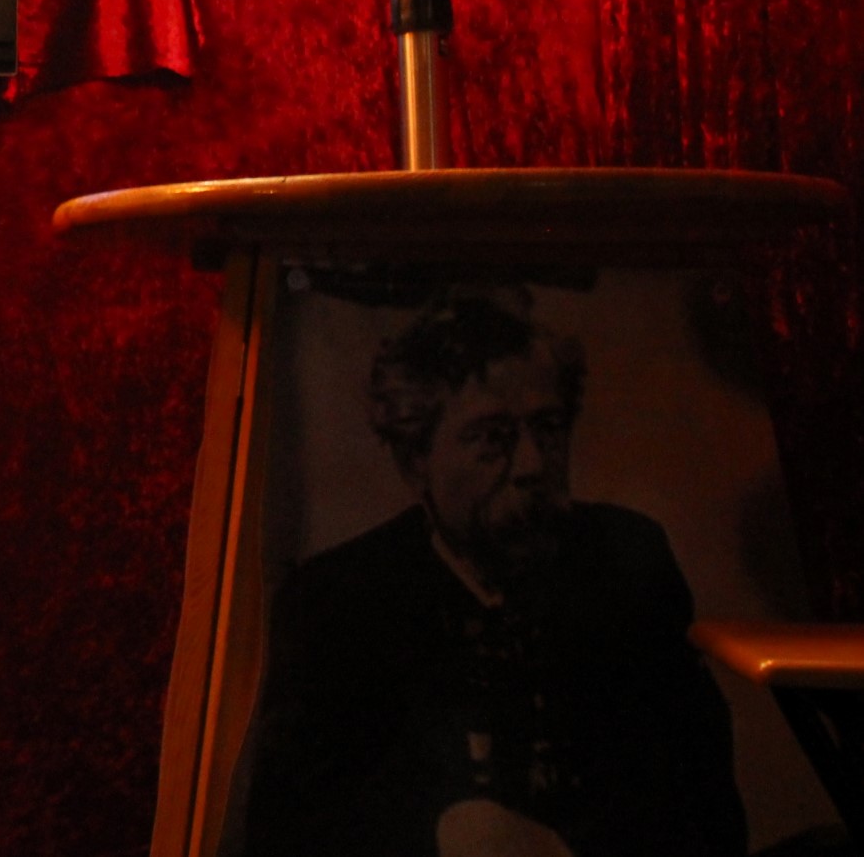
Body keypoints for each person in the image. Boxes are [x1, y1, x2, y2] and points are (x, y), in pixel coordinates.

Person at [240, 295, 744, 857]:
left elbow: (705, 804)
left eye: (548, 428)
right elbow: (292, 831)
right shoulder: (340, 601)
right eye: (491, 437)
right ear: (416, 459)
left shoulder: (625, 560)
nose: (532, 465)